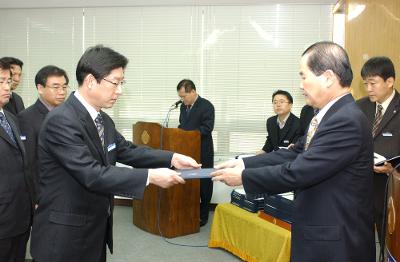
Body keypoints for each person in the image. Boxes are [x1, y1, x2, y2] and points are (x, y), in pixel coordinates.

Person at [30, 45, 200, 262]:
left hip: (93, 230)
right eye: (116, 82)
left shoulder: (103, 119)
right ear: (91, 81)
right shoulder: (61, 120)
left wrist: (172, 158)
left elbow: (127, 150)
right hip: (65, 237)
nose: (119, 90)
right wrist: (151, 177)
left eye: (122, 83)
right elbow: (93, 174)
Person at [212, 41, 375, 261]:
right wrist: (244, 163)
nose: (300, 85)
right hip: (319, 228)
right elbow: (295, 152)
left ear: (327, 77)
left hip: (335, 240)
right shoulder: (327, 114)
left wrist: (243, 177)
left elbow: (298, 171)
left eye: (303, 76)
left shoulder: (346, 120)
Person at [357, 56, 400, 244]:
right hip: (359, 189)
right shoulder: (360, 106)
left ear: (390, 81)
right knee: (360, 243)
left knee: (387, 243)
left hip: (389, 191)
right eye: (365, 83)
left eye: (373, 83)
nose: (368, 89)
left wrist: (395, 171)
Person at [18, 65, 69, 203]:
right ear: (40, 88)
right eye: (56, 87)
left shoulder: (68, 114)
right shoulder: (26, 118)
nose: (62, 92)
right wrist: (37, 200)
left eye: (64, 87)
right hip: (45, 194)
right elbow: (29, 164)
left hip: (67, 189)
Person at [0, 58, 34, 262]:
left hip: (19, 213)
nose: (8, 87)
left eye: (8, 81)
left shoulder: (11, 118)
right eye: (1, 81)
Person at [177, 79, 214, 227]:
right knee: (187, 183)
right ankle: (188, 212)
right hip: (186, 151)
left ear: (193, 92)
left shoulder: (207, 106)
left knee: (204, 185)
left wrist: (188, 135)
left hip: (202, 151)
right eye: (180, 96)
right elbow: (182, 125)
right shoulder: (182, 107)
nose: (182, 99)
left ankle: (203, 216)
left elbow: (206, 128)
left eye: (184, 96)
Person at [257, 90, 300, 154]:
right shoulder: (270, 121)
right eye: (275, 102)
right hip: (274, 158)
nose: (278, 105)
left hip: (290, 159)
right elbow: (270, 142)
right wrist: (261, 152)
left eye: (281, 102)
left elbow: (296, 147)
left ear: (290, 105)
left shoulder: (298, 123)